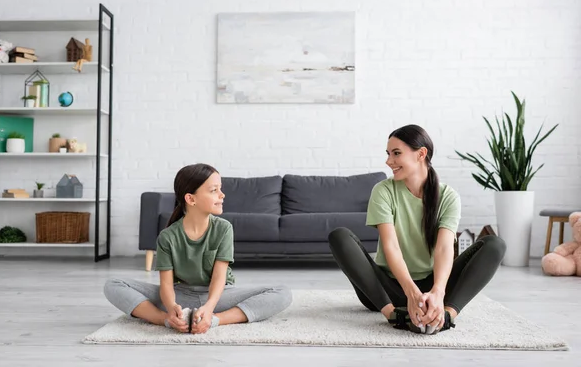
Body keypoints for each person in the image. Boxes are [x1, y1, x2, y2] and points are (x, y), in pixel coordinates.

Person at [328, 124, 506, 335]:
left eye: (396, 153)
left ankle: (446, 315)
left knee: (495, 244)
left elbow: (443, 249)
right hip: (386, 289)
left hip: (432, 286)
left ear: (421, 154)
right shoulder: (383, 191)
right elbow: (391, 246)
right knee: (339, 236)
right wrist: (411, 293)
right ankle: (395, 315)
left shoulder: (448, 197)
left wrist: (438, 292)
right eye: (388, 154)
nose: (388, 161)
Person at [104, 163, 292, 334]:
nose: (222, 195)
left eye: (221, 189)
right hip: (181, 295)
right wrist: (171, 309)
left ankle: (215, 320)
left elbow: (219, 277)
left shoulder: (224, 228)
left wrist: (210, 309)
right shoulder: (167, 237)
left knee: (282, 293)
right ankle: (167, 321)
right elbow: (167, 284)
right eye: (214, 190)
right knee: (113, 285)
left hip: (219, 297)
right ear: (190, 199)